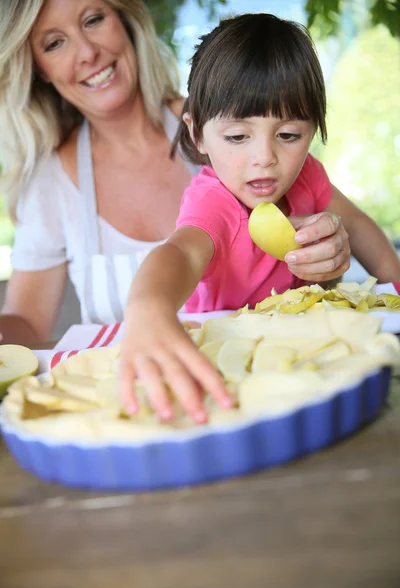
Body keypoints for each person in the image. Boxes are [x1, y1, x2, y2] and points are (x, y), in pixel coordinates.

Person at [0, 1, 352, 347]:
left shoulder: (231, 121)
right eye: (54, 42)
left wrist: (327, 259)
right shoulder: (49, 184)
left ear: (126, 21)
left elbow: (324, 233)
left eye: (93, 20)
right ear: (40, 68)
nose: (87, 52)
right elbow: (28, 324)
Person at [120, 13, 400, 423]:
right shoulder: (213, 202)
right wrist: (148, 310)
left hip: (293, 359)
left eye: (289, 135)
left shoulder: (309, 178)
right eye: (237, 137)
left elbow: (357, 226)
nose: (265, 158)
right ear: (197, 133)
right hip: (224, 367)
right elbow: (179, 253)